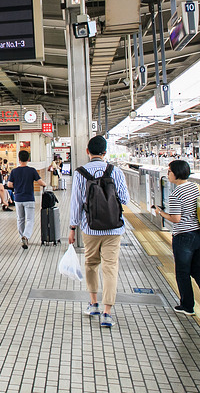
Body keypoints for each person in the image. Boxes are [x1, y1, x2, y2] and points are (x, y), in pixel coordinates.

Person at [68, 135, 130, 328]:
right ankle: (107, 312)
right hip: (114, 228)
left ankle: (93, 303)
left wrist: (72, 228)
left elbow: (76, 203)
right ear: (105, 153)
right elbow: (125, 199)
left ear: (88, 151)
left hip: (90, 228)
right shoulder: (115, 171)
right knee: (110, 268)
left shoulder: (80, 173)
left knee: (91, 263)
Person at [153, 160, 200, 318]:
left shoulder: (176, 194)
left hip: (184, 238)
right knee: (198, 269)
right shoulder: (196, 188)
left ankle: (187, 306)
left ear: (177, 174)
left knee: (183, 272)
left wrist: (161, 213)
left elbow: (176, 219)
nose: (168, 174)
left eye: (169, 171)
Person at [7, 150, 46, 250]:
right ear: (28, 159)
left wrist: (16, 186)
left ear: (19, 159)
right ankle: (26, 236)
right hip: (29, 198)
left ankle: (22, 237)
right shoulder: (32, 170)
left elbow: (9, 185)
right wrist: (45, 185)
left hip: (18, 198)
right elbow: (41, 182)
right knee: (30, 219)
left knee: (20, 219)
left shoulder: (14, 171)